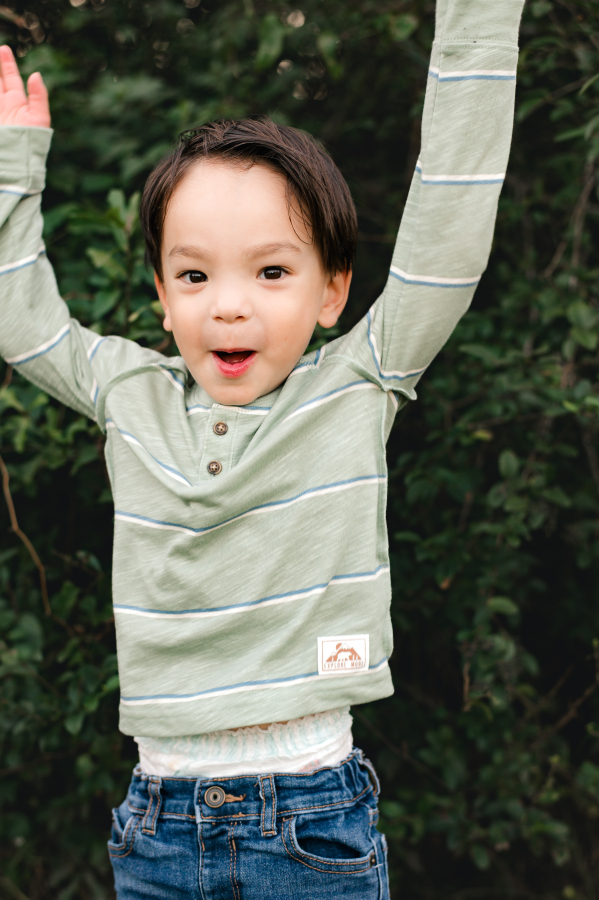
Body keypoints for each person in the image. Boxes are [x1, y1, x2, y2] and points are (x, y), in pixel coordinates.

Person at [0, 0, 524, 896]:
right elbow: (20, 316)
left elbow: (451, 216)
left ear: (333, 291)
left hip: (312, 815)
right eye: (195, 275)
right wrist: (11, 165)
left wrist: (476, 17)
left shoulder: (359, 383)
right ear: (162, 297)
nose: (229, 304)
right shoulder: (130, 395)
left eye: (272, 271)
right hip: (157, 825)